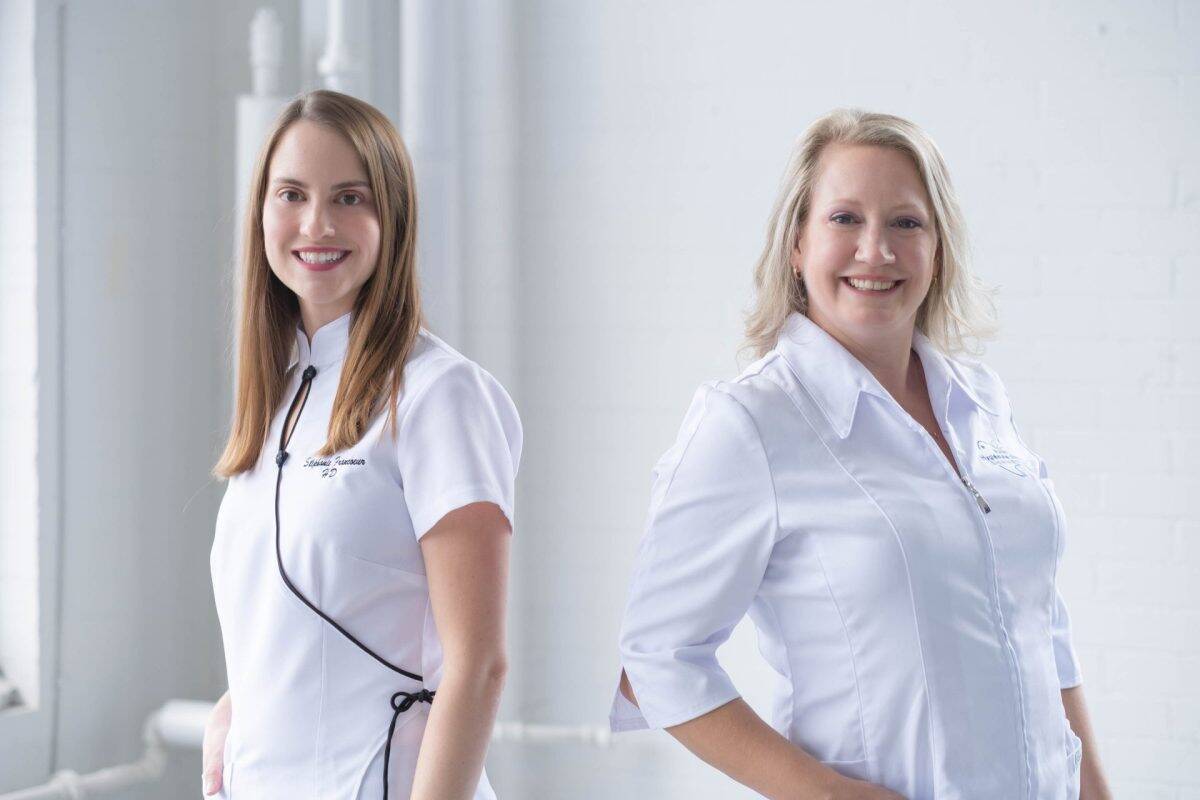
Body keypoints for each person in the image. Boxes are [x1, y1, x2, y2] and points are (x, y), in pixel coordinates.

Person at [610, 109, 1112, 800]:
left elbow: (1040, 620)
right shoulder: (750, 423)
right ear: (796, 243)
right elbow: (655, 658)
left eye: (906, 223)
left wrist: (1097, 791)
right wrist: (825, 793)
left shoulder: (984, 401)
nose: (876, 250)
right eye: (844, 219)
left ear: (938, 249)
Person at [201, 90, 521, 800]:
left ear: (392, 218)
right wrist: (235, 710)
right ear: (262, 213)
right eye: (293, 195)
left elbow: (478, 666)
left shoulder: (441, 395)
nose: (317, 223)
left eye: (350, 197)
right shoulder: (282, 398)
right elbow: (290, 623)